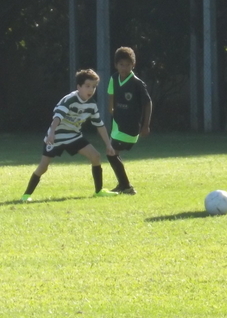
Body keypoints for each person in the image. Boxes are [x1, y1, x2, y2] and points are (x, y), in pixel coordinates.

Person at [20, 69, 119, 202]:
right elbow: (57, 117)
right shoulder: (70, 99)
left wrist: (108, 145)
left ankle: (99, 191)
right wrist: (51, 134)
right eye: (87, 86)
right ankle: (26, 195)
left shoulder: (91, 104)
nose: (91, 90)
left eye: (94, 87)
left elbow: (99, 125)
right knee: (43, 167)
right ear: (79, 87)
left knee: (95, 156)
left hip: (74, 136)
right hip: (56, 136)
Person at [106, 47, 152, 195]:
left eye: (127, 64)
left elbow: (148, 103)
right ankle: (122, 185)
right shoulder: (114, 78)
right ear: (116, 65)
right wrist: (111, 108)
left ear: (133, 65)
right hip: (117, 125)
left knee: (111, 153)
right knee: (113, 153)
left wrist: (146, 125)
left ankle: (126, 186)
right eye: (121, 64)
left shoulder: (137, 83)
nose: (124, 68)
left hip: (130, 127)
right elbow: (111, 94)